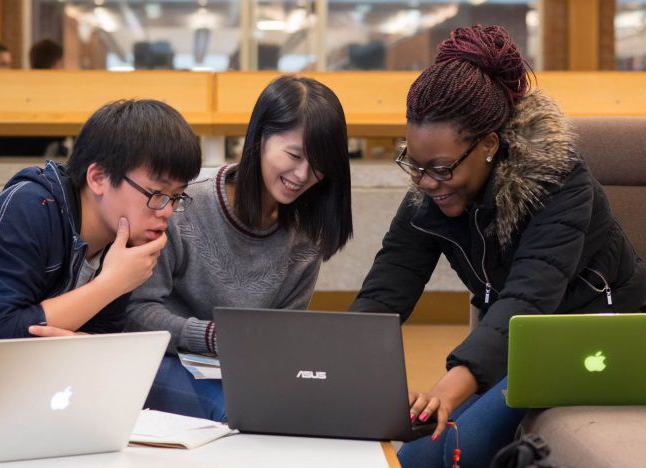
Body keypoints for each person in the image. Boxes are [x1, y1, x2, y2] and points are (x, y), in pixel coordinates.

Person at [349, 25, 646, 467]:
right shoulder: (433, 188)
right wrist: (342, 361)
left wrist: (446, 390)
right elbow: (391, 279)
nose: (427, 182)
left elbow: (527, 299)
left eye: (441, 168)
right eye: (414, 164)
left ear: (489, 145)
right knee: (415, 452)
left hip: (592, 342)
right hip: (517, 343)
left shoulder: (562, 183)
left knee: (440, 454)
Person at [0, 99, 202, 440]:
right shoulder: (31, 206)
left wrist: (83, 338)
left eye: (176, 197)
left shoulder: (126, 239)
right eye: (157, 193)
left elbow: (101, 338)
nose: (166, 211)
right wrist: (110, 284)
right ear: (99, 177)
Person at [125, 75, 354, 421]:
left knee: (314, 414)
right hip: (165, 357)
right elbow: (136, 312)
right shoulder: (186, 202)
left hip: (244, 369)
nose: (303, 174)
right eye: (293, 155)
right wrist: (215, 337)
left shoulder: (306, 233)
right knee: (238, 414)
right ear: (260, 137)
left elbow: (284, 332)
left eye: (319, 164)